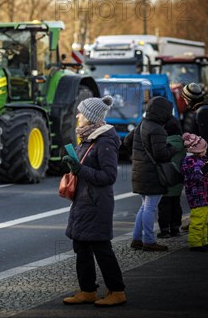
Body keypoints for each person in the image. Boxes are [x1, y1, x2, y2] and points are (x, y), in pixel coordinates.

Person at [61, 95, 126, 307]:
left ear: (91, 117)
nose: (78, 115)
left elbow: (109, 176)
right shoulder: (88, 138)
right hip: (83, 201)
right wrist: (74, 166)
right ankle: (87, 290)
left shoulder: (105, 141)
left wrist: (80, 169)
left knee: (101, 248)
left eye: (81, 112)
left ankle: (117, 291)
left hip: (97, 203)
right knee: (81, 246)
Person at [124, 96, 177, 252]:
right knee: (150, 208)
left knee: (144, 207)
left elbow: (127, 141)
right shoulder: (158, 129)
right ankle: (148, 240)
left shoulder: (142, 124)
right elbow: (162, 154)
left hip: (139, 172)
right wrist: (175, 148)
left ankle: (137, 239)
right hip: (153, 174)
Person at [181, 83, 208, 231]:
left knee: (202, 188)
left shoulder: (202, 112)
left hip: (207, 157)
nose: (184, 101)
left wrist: (204, 160)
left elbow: (206, 139)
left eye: (185, 98)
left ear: (189, 98)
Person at [181, 133, 208, 251]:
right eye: (205, 148)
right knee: (197, 220)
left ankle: (203, 241)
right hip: (198, 196)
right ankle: (195, 243)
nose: (206, 150)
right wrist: (206, 168)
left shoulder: (203, 159)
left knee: (204, 220)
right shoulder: (190, 162)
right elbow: (195, 178)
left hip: (206, 195)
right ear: (199, 150)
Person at [157, 117, 186, 238]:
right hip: (178, 179)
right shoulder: (183, 144)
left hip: (165, 178)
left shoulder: (163, 144)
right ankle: (175, 228)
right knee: (176, 204)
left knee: (164, 205)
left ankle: (164, 230)